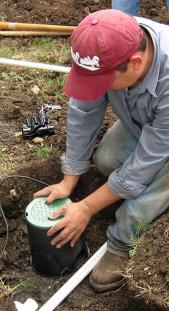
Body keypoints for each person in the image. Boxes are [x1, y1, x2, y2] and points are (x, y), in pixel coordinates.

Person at [34, 9, 169, 292]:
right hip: (153, 123)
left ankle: (122, 242)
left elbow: (147, 161)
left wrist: (86, 208)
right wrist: (70, 177)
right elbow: (84, 111)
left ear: (135, 64)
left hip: (163, 134)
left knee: (152, 184)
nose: (97, 88)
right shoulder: (110, 42)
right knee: (107, 160)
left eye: (103, 82)